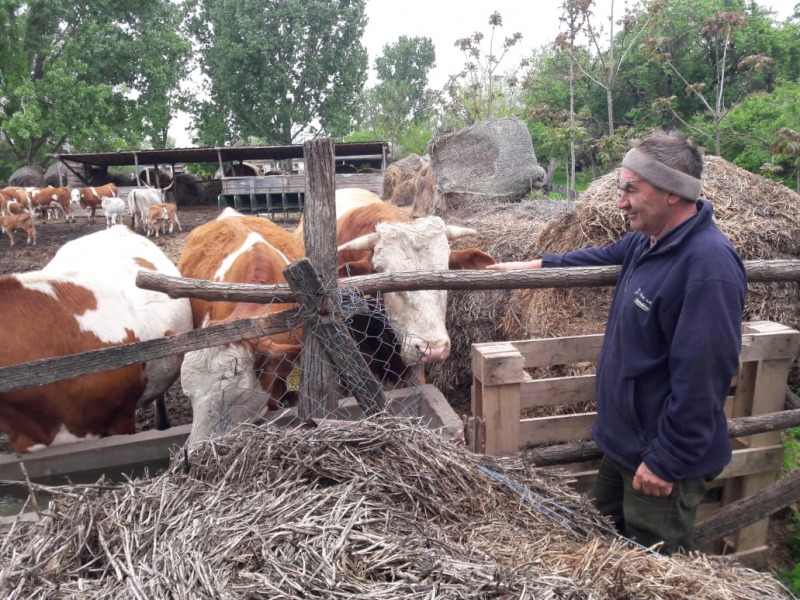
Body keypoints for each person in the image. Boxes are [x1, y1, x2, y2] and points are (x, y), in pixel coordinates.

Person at [488, 131, 747, 554]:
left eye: (630, 189)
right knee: (603, 550)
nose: (619, 202)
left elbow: (705, 377)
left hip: (661, 459)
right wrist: (535, 264)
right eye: (619, 188)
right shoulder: (650, 242)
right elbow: (606, 253)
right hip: (625, 445)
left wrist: (667, 459)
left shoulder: (707, 266)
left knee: (653, 566)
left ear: (672, 192)